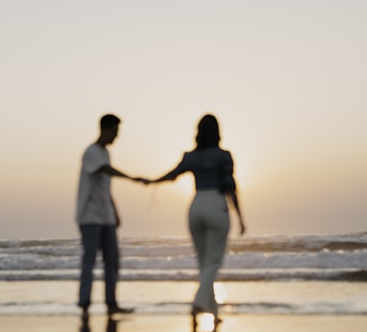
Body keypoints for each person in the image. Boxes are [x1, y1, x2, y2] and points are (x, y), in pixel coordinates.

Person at [147, 114, 246, 319]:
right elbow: (230, 187)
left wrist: (152, 181)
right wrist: (241, 217)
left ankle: (213, 311)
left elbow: (172, 174)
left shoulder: (191, 156)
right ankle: (199, 303)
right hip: (216, 205)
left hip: (196, 205)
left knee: (203, 263)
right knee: (213, 262)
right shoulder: (224, 156)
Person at [76, 114, 145, 316]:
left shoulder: (105, 153)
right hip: (89, 216)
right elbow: (106, 171)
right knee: (89, 260)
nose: (116, 136)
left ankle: (111, 302)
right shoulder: (92, 152)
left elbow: (105, 187)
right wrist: (131, 178)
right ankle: (84, 302)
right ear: (106, 129)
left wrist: (115, 211)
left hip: (105, 216)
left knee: (113, 260)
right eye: (115, 132)